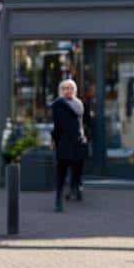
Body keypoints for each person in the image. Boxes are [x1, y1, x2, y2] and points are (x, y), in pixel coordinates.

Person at [51, 78, 88, 212]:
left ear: (75, 91)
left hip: (78, 142)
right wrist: (57, 141)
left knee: (77, 171)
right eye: (65, 88)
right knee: (62, 173)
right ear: (60, 91)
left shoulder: (79, 104)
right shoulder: (58, 104)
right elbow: (57, 127)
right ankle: (58, 202)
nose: (68, 91)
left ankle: (76, 191)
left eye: (71, 88)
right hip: (65, 144)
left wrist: (83, 137)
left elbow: (82, 123)